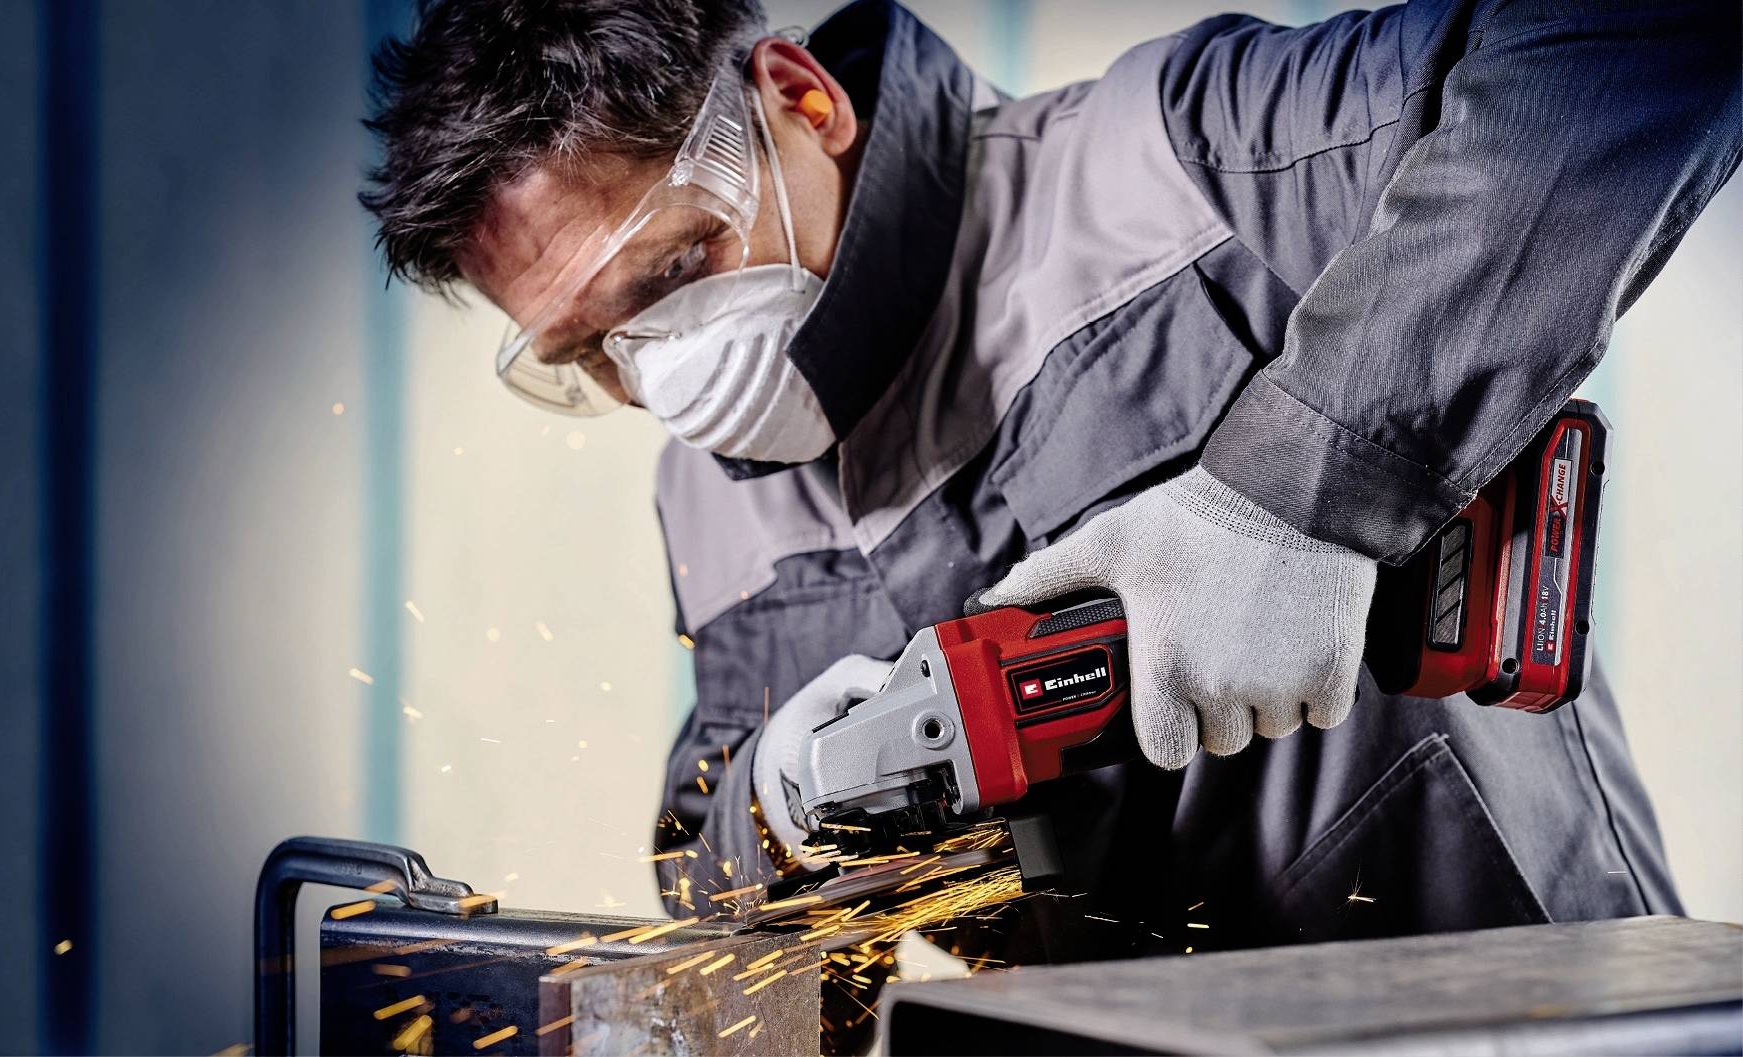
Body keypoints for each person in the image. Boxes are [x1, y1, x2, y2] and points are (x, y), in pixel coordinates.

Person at [362, 0, 1737, 975]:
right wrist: (779, 809)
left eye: (669, 277)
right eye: (590, 350)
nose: (658, 380)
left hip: (1497, 997)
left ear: (800, 99)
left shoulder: (1176, 160)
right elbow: (711, 884)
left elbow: (1627, 37)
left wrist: (1295, 491)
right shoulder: (704, 498)